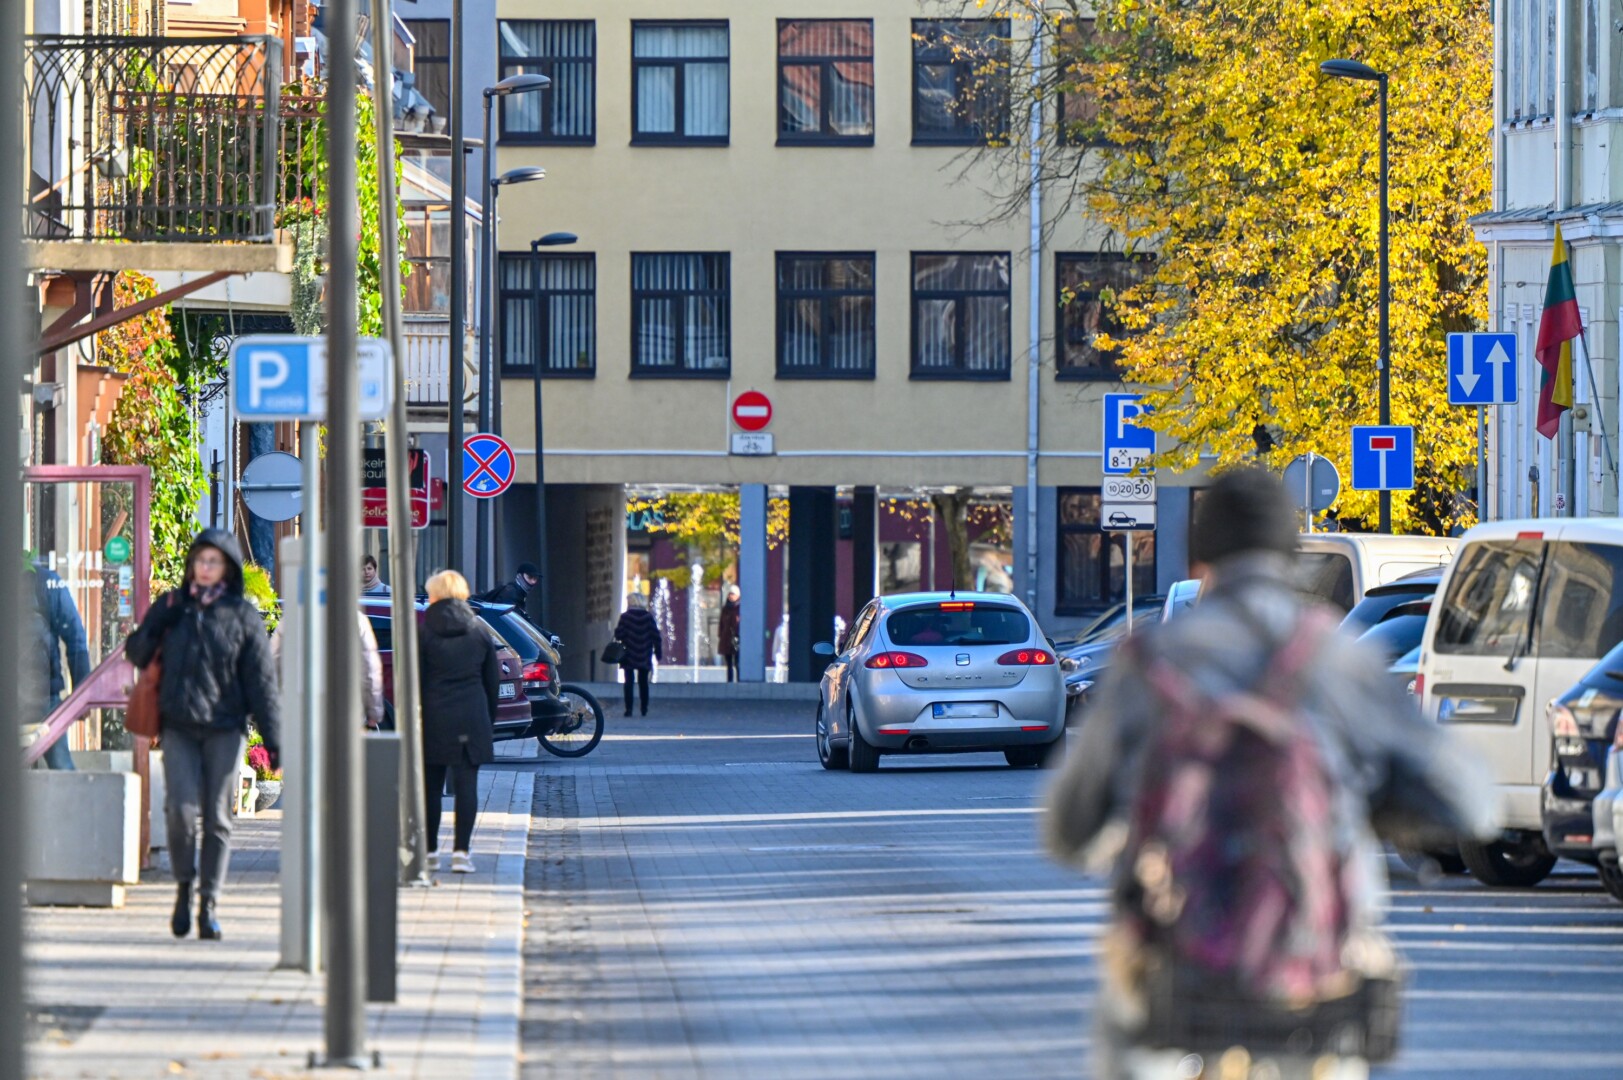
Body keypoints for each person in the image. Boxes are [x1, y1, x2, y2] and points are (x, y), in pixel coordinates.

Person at [1042, 469, 1496, 1080]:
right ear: (1291, 556)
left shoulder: (1149, 664)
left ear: (1199, 560)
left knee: (1121, 1017)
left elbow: (1068, 832)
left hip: (1178, 974)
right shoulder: (1339, 659)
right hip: (1316, 977)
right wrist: (1369, 802)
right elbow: (1472, 804)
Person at [125, 530, 280, 941]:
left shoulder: (243, 616)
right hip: (178, 724)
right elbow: (136, 652)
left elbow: (262, 683)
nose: (206, 568)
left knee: (217, 818)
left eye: (214, 561)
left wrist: (275, 742)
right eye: (200, 560)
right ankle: (183, 888)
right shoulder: (173, 606)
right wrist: (157, 626)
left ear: (227, 568)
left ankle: (208, 903)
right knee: (179, 810)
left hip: (226, 729)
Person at [417, 569, 499, 873]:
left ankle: (429, 852)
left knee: (430, 788)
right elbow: (492, 683)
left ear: (435, 595)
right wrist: (488, 720)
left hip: (434, 717)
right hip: (471, 716)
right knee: (467, 786)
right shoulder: (479, 631)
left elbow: (415, 680)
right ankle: (462, 853)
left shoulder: (423, 632)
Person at [25, 558, 92, 770]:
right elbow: (76, 640)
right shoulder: (48, 583)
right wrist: (82, 696)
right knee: (62, 768)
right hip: (44, 695)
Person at [271, 612, 384, 730]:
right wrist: (374, 712)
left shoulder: (291, 617)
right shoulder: (356, 619)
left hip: (299, 713)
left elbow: (273, 664)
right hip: (344, 713)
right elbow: (370, 669)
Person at [613, 593, 661, 717]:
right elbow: (656, 636)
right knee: (643, 682)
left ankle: (628, 709)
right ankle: (644, 708)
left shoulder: (625, 617)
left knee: (628, 682)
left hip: (629, 653)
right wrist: (658, 652)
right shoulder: (648, 617)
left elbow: (619, 635)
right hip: (644, 653)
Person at [717, 584, 741, 682]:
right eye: (730, 594)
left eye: (733, 594)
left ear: (738, 595)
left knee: (738, 663)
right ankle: (729, 682)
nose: (731, 596)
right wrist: (721, 635)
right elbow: (721, 623)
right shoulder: (725, 609)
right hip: (726, 639)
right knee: (729, 664)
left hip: (738, 639)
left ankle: (739, 681)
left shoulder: (740, 608)